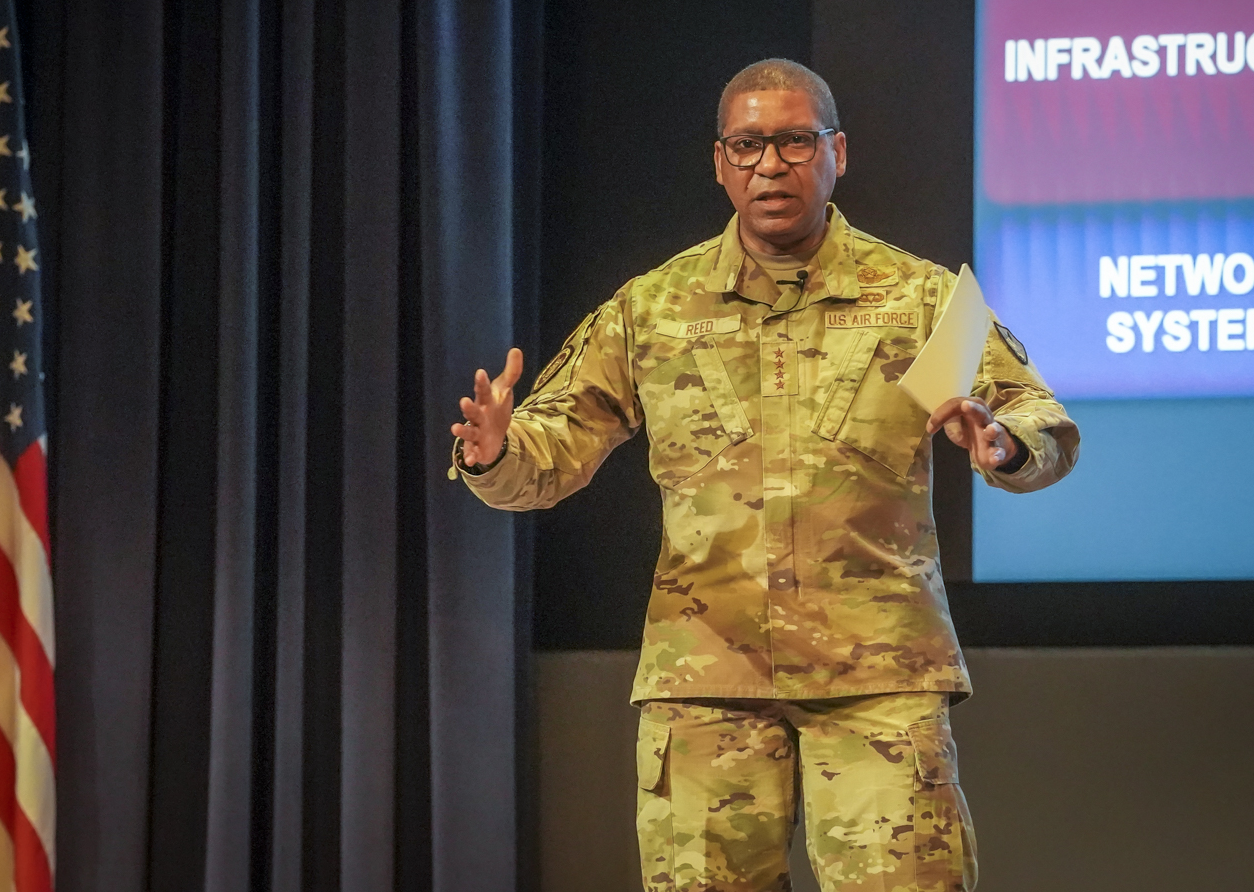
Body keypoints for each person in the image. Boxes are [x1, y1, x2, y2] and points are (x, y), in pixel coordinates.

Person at [451, 59, 1079, 892]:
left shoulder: (921, 296)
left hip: (875, 680)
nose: (771, 165)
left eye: (793, 141)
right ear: (720, 161)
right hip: (707, 680)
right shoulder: (653, 307)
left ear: (837, 152)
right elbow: (552, 453)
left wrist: (1005, 443)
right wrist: (495, 451)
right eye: (748, 145)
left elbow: (1042, 419)